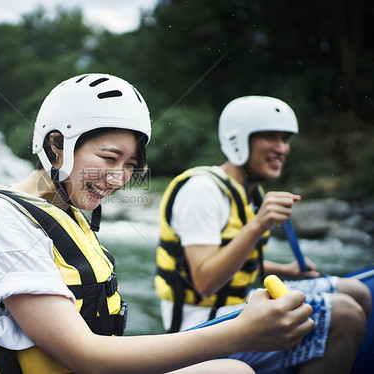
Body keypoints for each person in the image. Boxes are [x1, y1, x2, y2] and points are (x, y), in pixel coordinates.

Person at [0, 76, 315, 374]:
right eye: (109, 158)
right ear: (57, 145)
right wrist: (240, 333)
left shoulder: (65, 212)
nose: (119, 178)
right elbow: (85, 356)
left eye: (130, 165)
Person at [155, 95, 371, 373]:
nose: (282, 148)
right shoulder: (201, 190)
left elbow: (234, 263)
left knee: (357, 291)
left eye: (285, 139)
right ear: (238, 140)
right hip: (199, 324)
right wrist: (258, 225)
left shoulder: (251, 193)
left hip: (236, 304)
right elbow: (204, 282)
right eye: (270, 137)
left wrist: (285, 270)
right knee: (345, 313)